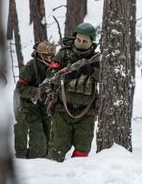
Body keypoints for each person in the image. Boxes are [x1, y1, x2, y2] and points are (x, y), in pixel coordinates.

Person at [46, 22, 99, 162]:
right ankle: (51, 178)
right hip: (62, 110)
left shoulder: (97, 58)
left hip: (86, 113)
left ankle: (75, 179)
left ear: (91, 42)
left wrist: (92, 71)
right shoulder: (63, 54)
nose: (81, 43)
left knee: (83, 150)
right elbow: (50, 75)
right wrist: (67, 75)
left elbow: (107, 79)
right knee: (57, 149)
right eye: (78, 40)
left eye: (85, 41)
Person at [14, 42, 55, 158]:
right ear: (40, 55)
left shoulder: (53, 68)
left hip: (43, 105)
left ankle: (45, 158)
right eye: (47, 56)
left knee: (49, 132)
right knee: (37, 137)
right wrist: (37, 91)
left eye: (51, 56)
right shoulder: (30, 68)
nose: (50, 58)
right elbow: (19, 88)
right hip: (26, 104)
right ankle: (26, 157)